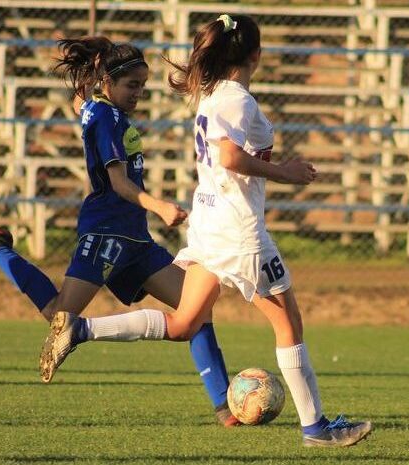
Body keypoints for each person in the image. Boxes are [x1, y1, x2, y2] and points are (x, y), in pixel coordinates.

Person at [39, 14, 372, 447]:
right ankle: (317, 428)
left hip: (210, 226)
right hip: (239, 232)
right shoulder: (236, 98)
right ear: (256, 53)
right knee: (288, 322)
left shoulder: (213, 93)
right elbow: (231, 159)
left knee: (184, 323)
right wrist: (284, 172)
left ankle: (80, 330)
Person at [0, 36, 239, 426]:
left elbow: (79, 101)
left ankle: (225, 408)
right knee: (58, 315)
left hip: (136, 239)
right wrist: (161, 205)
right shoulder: (105, 118)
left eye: (142, 85)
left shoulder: (96, 110)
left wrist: (94, 69)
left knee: (197, 310)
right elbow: (119, 184)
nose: (138, 93)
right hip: (106, 233)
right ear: (108, 82)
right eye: (131, 85)